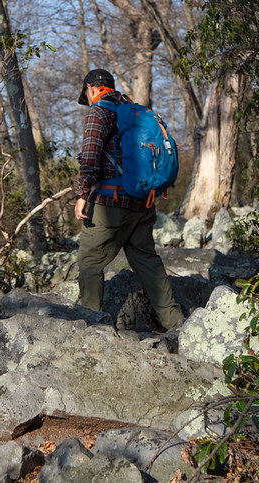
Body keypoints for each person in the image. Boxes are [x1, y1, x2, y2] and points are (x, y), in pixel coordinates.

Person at [73, 68, 185, 330]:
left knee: (89, 260)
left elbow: (91, 154)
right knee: (146, 260)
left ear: (91, 88)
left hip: (111, 203)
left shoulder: (98, 111)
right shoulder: (134, 110)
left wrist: (82, 193)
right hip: (142, 201)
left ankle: (90, 324)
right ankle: (174, 320)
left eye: (86, 94)